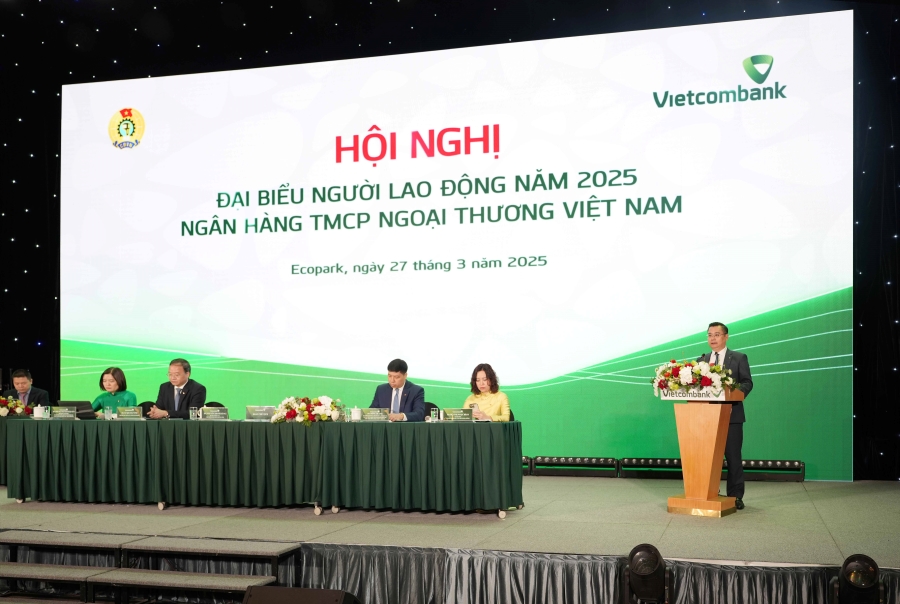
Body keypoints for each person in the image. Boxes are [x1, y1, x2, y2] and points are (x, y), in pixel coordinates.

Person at [698, 322, 753, 510]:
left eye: (717, 334)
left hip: (731, 416)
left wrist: (734, 393)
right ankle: (707, 493)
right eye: (709, 335)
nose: (712, 338)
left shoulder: (738, 358)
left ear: (726, 336)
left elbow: (747, 382)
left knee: (733, 458)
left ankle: (735, 496)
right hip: (706, 417)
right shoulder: (701, 361)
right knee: (707, 458)